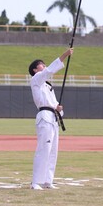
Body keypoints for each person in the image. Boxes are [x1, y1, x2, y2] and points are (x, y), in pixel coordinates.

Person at [28, 47, 73, 190]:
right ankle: (36, 181)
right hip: (44, 117)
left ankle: (48, 180)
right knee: (44, 148)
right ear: (35, 70)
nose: (44, 65)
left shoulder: (47, 86)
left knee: (53, 150)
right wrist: (64, 55)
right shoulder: (36, 79)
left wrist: (58, 109)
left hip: (53, 118)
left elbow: (53, 103)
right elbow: (49, 71)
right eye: (41, 64)